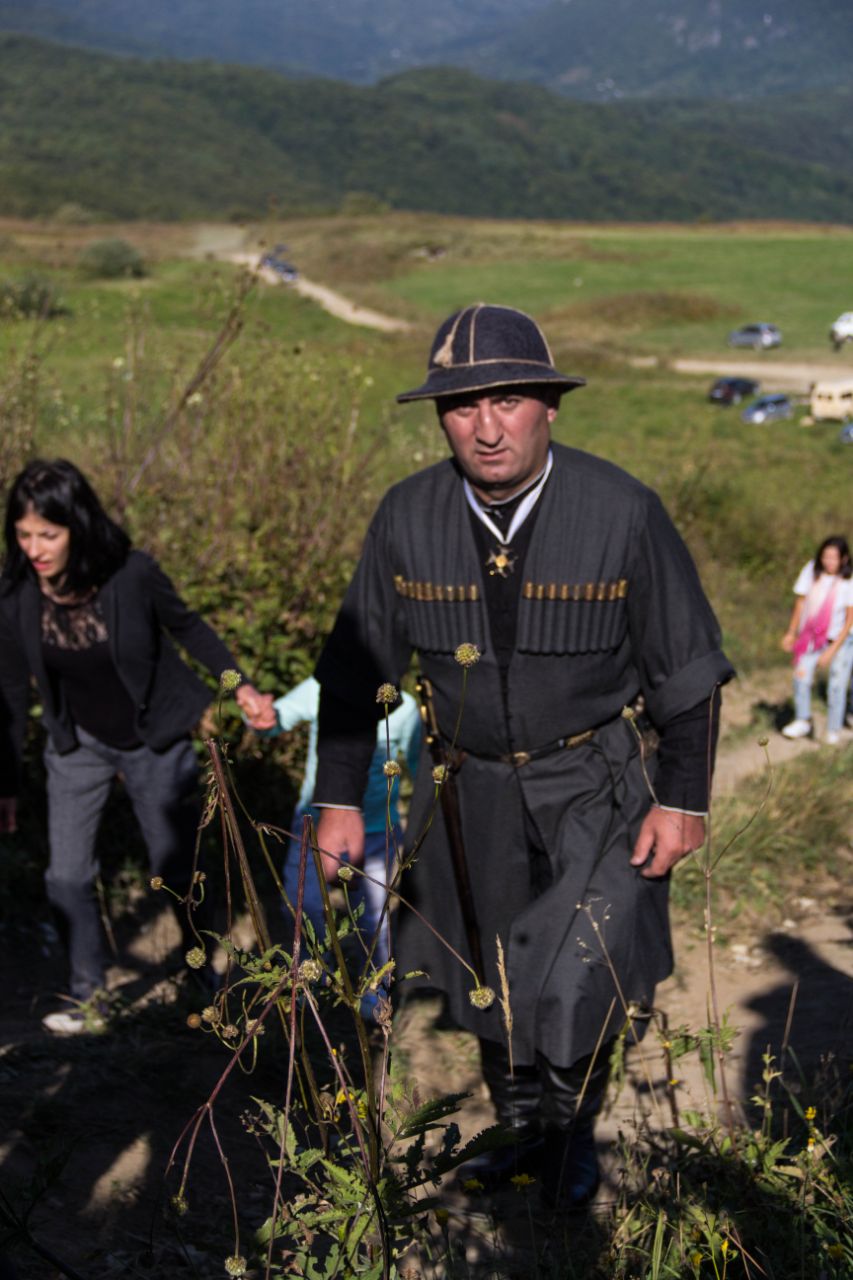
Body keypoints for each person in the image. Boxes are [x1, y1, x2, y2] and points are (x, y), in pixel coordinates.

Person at [309, 303, 735, 1207]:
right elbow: (352, 675)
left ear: (549, 405)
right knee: (486, 977)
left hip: (599, 782)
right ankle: (521, 1132)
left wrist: (684, 800)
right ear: (439, 419)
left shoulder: (621, 511)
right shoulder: (405, 517)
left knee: (578, 974)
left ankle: (570, 1132)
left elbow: (686, 670)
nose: (486, 426)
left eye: (507, 400)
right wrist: (337, 802)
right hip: (467, 789)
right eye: (463, 407)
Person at [0, 459, 275, 1033]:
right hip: (77, 743)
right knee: (66, 877)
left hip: (154, 736)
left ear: (77, 526)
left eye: (47, 534)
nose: (35, 548)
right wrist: (8, 782)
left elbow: (189, 627)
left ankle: (205, 979)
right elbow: (8, 686)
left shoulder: (131, 574)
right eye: (23, 535)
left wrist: (239, 683)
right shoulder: (18, 593)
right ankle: (87, 998)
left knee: (176, 868)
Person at [259, 675, 420, 1013]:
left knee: (374, 916)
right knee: (301, 904)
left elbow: (420, 768)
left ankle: (376, 990)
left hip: (377, 832)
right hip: (313, 826)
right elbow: (276, 720)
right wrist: (260, 716)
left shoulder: (404, 708)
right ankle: (312, 977)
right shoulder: (322, 688)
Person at [780, 535, 853, 745]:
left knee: (837, 685)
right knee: (801, 676)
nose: (829, 562)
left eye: (834, 558)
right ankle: (803, 719)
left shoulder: (848, 582)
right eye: (825, 557)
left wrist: (831, 652)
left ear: (844, 559)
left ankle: (833, 729)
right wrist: (791, 632)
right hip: (811, 639)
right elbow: (800, 603)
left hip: (840, 640)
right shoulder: (811, 571)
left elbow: (849, 620)